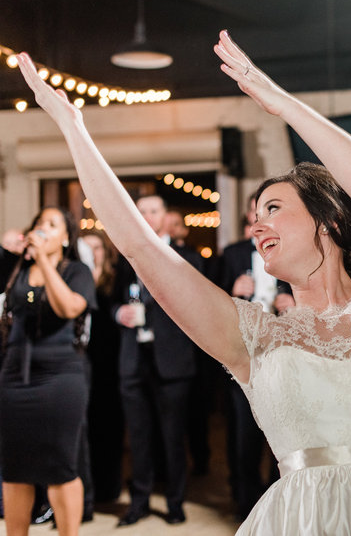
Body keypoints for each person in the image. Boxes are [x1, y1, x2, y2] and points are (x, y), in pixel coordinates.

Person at [16, 30, 351, 535]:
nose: (256, 227)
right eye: (255, 216)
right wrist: (73, 129)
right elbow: (141, 246)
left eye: (273, 209)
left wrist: (282, 106)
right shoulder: (253, 336)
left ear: (330, 222)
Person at [0, 207, 97, 536]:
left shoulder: (77, 271)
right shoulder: (16, 268)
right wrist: (5, 248)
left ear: (66, 237)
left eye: (52, 225)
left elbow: (68, 307)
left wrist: (43, 260)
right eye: (39, 222)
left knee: (60, 465)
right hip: (15, 375)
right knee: (14, 468)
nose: (42, 228)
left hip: (60, 377)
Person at [111, 195, 204, 526]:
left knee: (172, 436)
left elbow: (198, 307)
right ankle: (139, 502)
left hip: (172, 360)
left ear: (166, 217)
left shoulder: (188, 258)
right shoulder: (126, 258)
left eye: (154, 211)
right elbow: (113, 300)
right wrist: (118, 311)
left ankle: (176, 502)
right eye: (142, 212)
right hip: (134, 358)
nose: (147, 217)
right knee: (138, 437)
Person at [218, 193, 294, 520]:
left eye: (268, 212)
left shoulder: (293, 254)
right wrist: (231, 294)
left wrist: (292, 302)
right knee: (243, 433)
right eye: (254, 214)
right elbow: (211, 306)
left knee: (283, 433)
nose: (259, 220)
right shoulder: (232, 254)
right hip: (244, 356)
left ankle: (280, 500)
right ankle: (246, 503)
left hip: (285, 356)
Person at [78, 229, 124, 504]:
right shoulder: (72, 280)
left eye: (98, 248)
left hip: (110, 363)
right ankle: (86, 490)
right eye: (87, 247)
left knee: (109, 426)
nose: (93, 253)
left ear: (106, 253)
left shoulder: (114, 280)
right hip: (81, 362)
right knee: (84, 429)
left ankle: (109, 488)